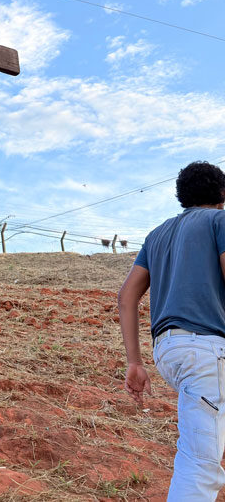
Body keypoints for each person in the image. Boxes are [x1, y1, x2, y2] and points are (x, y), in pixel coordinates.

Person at [118, 161, 225, 500]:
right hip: (206, 348)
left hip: (169, 351)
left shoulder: (158, 234)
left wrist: (134, 362)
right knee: (201, 463)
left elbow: (126, 297)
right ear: (222, 193)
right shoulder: (220, 221)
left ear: (181, 196)